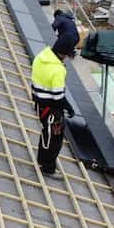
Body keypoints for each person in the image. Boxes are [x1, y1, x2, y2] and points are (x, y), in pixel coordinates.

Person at [30, 35, 77, 177]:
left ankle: (42, 159)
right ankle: (48, 168)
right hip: (51, 109)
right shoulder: (58, 70)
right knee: (55, 139)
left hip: (40, 103)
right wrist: (68, 107)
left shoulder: (41, 56)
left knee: (46, 133)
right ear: (63, 53)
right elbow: (58, 97)